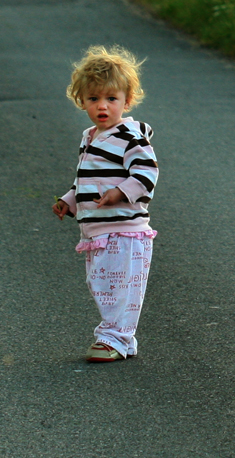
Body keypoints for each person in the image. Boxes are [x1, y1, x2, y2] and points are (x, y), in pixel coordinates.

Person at [51, 46, 159, 363]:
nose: (102, 106)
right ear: (81, 101)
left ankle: (113, 338)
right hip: (97, 230)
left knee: (118, 288)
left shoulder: (130, 136)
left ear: (127, 101)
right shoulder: (90, 137)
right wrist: (69, 201)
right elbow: (85, 180)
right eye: (94, 99)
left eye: (111, 99)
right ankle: (122, 340)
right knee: (102, 285)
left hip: (125, 231)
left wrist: (121, 192)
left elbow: (146, 172)